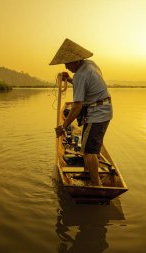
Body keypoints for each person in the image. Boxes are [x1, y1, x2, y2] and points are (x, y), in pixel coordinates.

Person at [50, 38, 113, 186]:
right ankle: (88, 172)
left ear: (77, 60)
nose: (66, 66)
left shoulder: (81, 75)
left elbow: (77, 107)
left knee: (88, 152)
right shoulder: (90, 65)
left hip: (98, 113)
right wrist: (71, 80)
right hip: (103, 109)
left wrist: (63, 126)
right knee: (89, 147)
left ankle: (96, 185)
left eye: (68, 63)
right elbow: (87, 85)